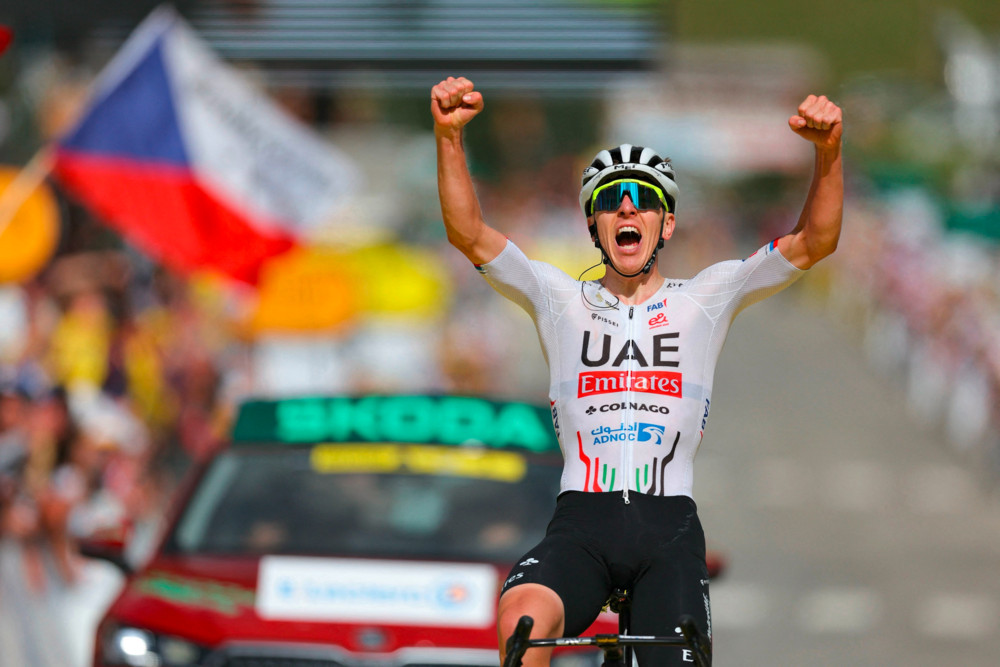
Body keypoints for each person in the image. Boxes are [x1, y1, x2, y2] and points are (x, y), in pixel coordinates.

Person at [431, 76, 842, 666]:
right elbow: (468, 233)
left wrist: (828, 152)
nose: (627, 207)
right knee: (523, 622)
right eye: (610, 199)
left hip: (668, 528)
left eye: (645, 199)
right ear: (594, 226)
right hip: (581, 523)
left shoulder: (707, 295)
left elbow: (816, 240)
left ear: (666, 224)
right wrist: (448, 137)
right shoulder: (557, 298)